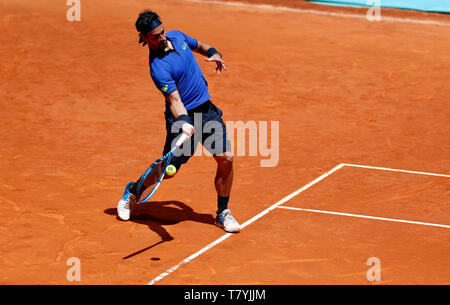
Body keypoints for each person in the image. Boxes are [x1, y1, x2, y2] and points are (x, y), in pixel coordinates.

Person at [116, 9, 241, 233]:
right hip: (182, 119)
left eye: (162, 32)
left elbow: (200, 45)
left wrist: (214, 53)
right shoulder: (158, 67)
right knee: (167, 170)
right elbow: (174, 100)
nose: (162, 37)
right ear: (144, 38)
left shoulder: (177, 36)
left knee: (226, 158)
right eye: (155, 36)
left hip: (208, 112)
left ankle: (222, 213)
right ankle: (133, 191)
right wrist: (184, 122)